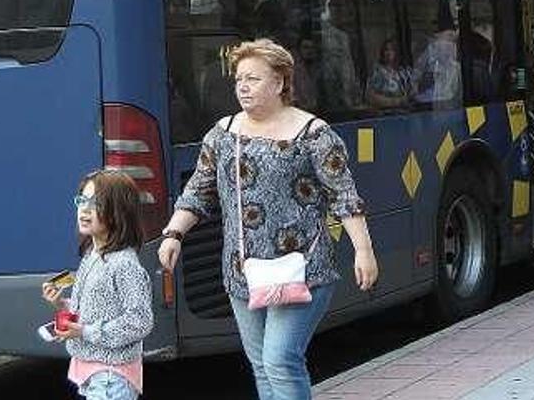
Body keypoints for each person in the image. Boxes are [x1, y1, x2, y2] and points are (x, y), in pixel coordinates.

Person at [158, 39, 379, 400]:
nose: (242, 87)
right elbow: (198, 191)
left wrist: (363, 250)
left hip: (302, 267)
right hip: (243, 270)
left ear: (279, 83)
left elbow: (343, 195)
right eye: (239, 80)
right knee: (261, 363)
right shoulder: (223, 134)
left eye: (253, 79)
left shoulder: (313, 134)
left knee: (280, 359)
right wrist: (174, 234)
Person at [42, 170, 154, 400]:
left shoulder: (124, 264)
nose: (84, 208)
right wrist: (62, 304)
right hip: (94, 372)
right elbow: (97, 308)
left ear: (118, 212)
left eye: (96, 203)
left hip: (112, 377)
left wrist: (85, 331)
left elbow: (140, 321)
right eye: (82, 200)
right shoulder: (92, 254)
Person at [365, 39, 415, 108]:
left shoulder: (404, 71)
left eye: (392, 50)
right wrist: (394, 102)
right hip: (386, 113)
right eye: (386, 50)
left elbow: (414, 89)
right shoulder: (378, 72)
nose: (389, 53)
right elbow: (370, 96)